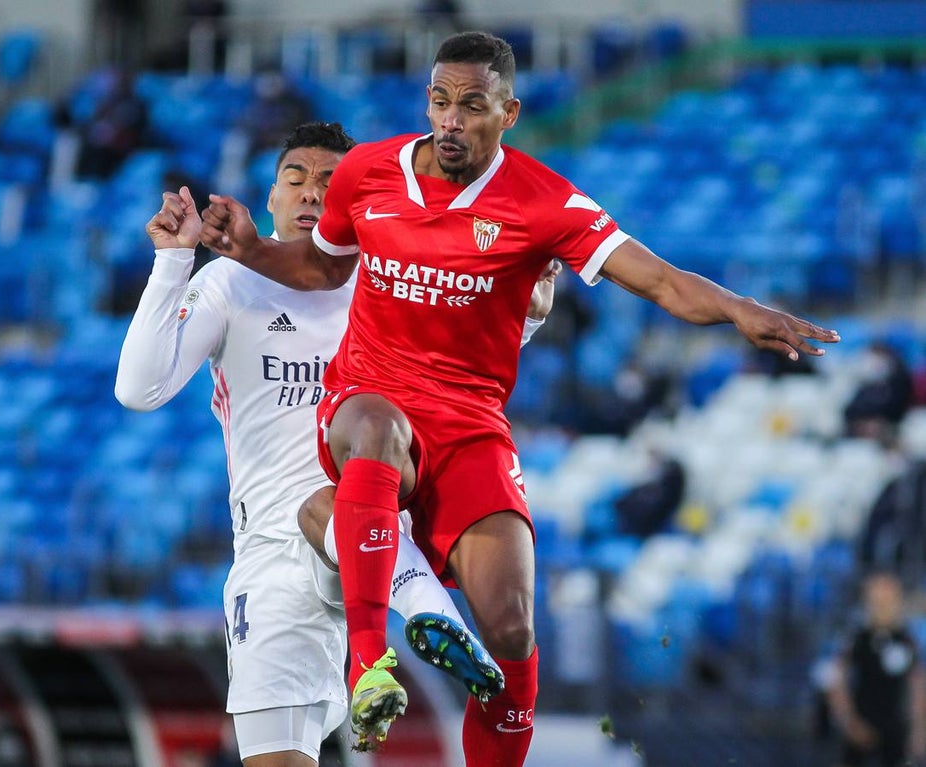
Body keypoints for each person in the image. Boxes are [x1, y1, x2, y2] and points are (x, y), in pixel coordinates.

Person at [197, 30, 840, 763]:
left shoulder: (543, 202)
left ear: (509, 113)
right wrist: (251, 250)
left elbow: (660, 279)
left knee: (510, 629)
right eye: (440, 100)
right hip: (365, 398)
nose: (450, 120)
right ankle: (370, 664)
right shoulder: (367, 173)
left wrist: (739, 309)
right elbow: (322, 268)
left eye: (472, 106)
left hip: (469, 424)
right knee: (374, 427)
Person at [115, 122, 552, 766]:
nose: (312, 192)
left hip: (380, 528)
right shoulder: (233, 281)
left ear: (356, 198)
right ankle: (428, 621)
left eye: (330, 181)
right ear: (271, 197)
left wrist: (526, 308)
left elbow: (471, 361)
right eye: (295, 179)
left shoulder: (393, 277)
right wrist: (174, 260)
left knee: (333, 493)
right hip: (271, 556)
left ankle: (430, 616)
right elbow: (139, 388)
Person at [827, 572, 926, 767]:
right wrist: (849, 721)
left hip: (896, 729)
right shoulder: (856, 638)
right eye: (877, 601)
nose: (883, 607)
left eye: (889, 600)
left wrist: (919, 729)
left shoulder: (907, 640)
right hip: (861, 725)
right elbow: (836, 681)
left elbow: (917, 685)